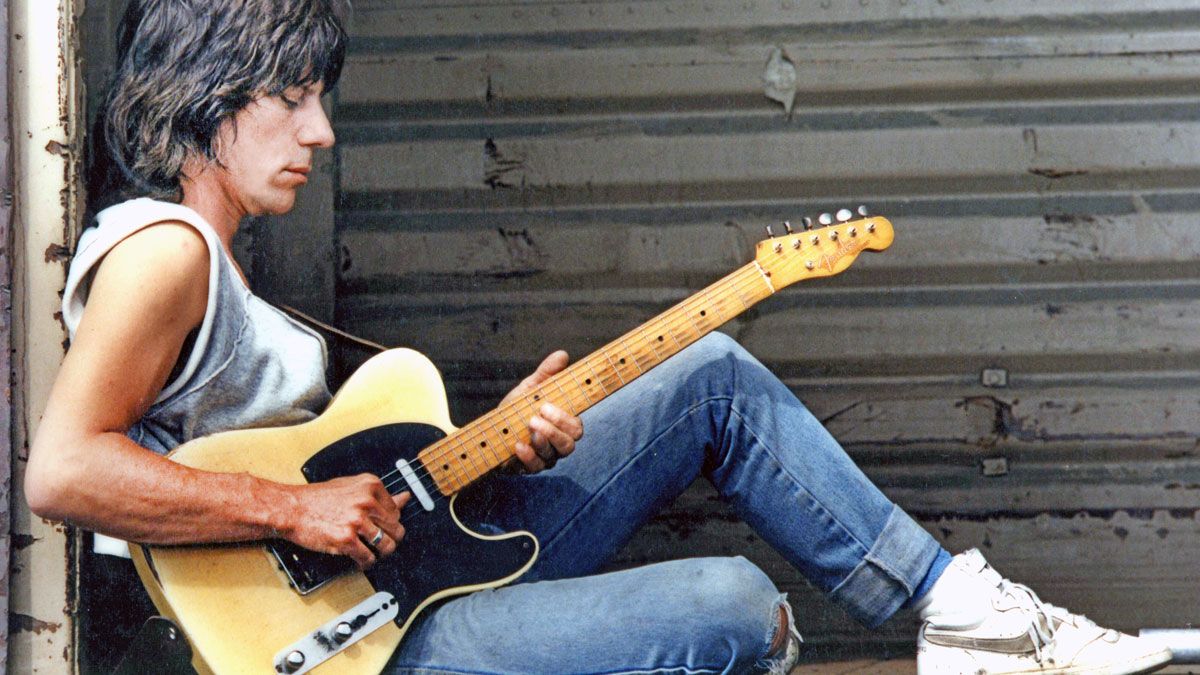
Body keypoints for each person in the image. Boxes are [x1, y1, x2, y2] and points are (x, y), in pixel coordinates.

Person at [24, 1, 1172, 673]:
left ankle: (970, 623)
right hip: (353, 650)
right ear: (214, 91)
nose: (321, 130)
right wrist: (295, 511)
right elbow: (66, 471)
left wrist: (493, 438)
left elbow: (332, 469)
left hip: (407, 568)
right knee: (731, 604)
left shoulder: (226, 262)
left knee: (710, 372)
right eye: (295, 96)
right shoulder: (165, 251)